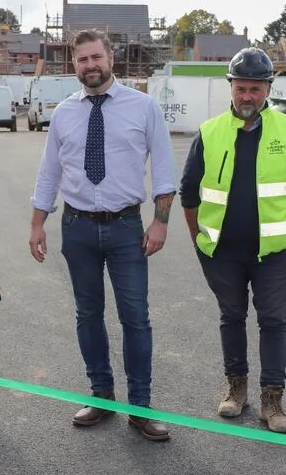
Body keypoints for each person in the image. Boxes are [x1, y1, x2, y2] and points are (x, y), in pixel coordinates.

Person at [29, 29, 177, 441]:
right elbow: (49, 173)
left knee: (136, 318)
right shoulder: (64, 113)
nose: (90, 65)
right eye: (82, 59)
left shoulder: (143, 107)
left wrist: (160, 221)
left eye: (96, 57)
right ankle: (101, 395)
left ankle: (140, 407)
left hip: (126, 228)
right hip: (77, 227)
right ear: (74, 64)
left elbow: (164, 170)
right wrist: (37, 223)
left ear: (111, 58)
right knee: (87, 314)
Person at [179, 48, 286, 434]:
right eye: (241, 88)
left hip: (276, 252)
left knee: (273, 321)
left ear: (268, 89)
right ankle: (236, 390)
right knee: (232, 317)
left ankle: (273, 400)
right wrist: (199, 241)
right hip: (223, 252)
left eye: (255, 89)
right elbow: (189, 193)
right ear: (231, 88)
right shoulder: (210, 132)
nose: (247, 96)